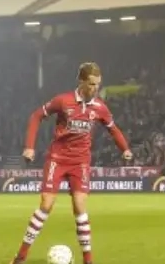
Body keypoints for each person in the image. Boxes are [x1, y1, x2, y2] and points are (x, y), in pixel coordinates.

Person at [10, 62, 132, 264]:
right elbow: (36, 116)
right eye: (91, 84)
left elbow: (113, 129)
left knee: (80, 207)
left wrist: (125, 149)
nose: (95, 88)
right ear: (81, 81)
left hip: (80, 162)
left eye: (98, 84)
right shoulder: (63, 101)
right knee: (46, 205)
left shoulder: (100, 107)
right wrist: (29, 146)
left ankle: (88, 260)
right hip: (57, 159)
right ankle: (20, 257)